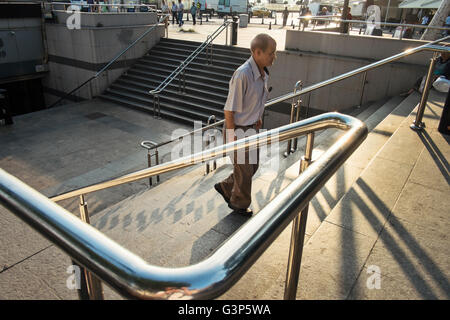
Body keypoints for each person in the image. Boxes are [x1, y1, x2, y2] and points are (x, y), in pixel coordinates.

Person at [214, 34, 277, 216]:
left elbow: (256, 99)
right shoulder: (243, 74)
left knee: (253, 166)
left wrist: (257, 117)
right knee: (244, 170)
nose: (274, 57)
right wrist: (233, 135)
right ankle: (239, 204)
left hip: (251, 127)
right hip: (238, 129)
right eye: (271, 53)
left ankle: (226, 187)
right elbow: (229, 110)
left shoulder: (263, 72)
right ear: (257, 52)